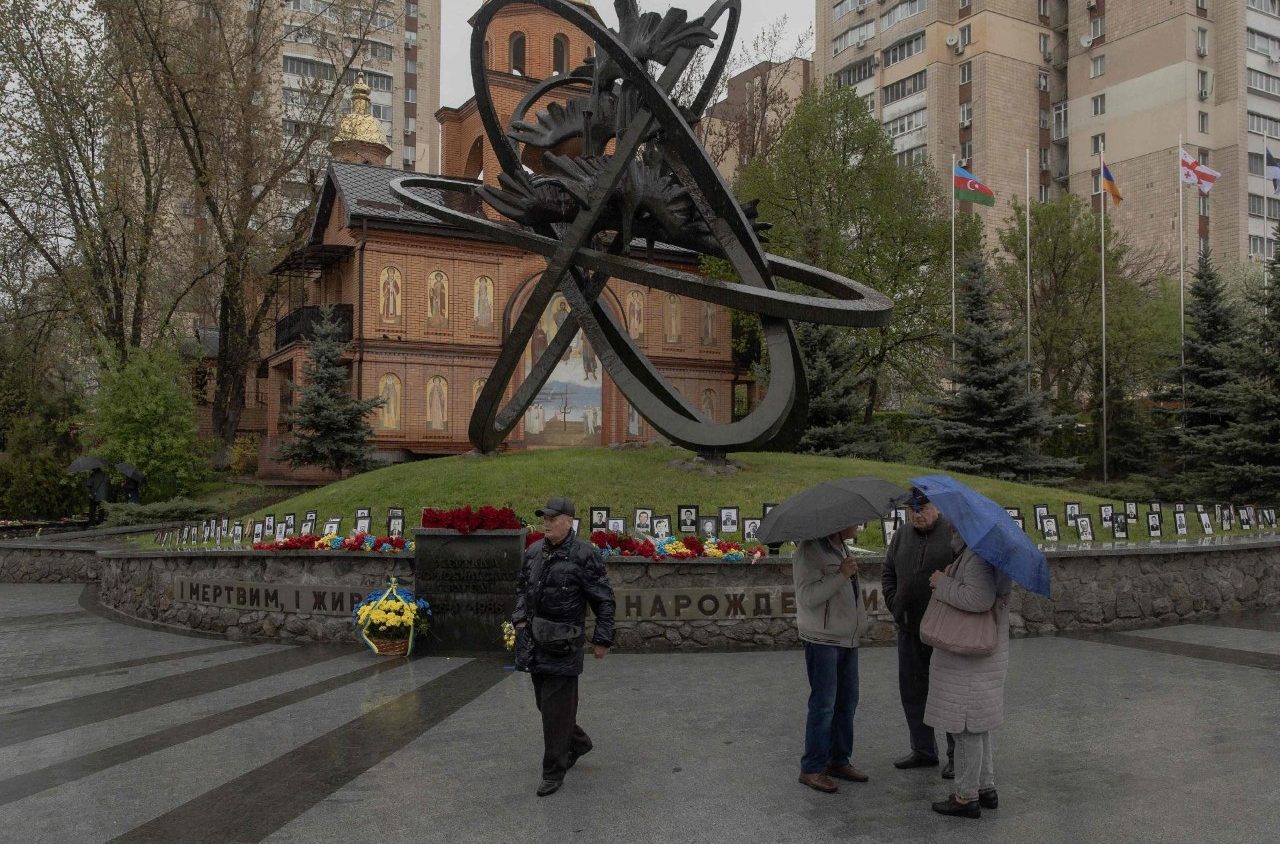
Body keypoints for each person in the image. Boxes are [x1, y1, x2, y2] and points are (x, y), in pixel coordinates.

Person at [512, 496, 616, 797]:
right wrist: (519, 619)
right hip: (534, 642)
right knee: (546, 706)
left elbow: (604, 600)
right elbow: (521, 588)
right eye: (544, 517)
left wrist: (602, 638)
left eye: (552, 518)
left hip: (564, 645)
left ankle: (553, 771)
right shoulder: (533, 552)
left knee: (556, 712)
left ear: (568, 522)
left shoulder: (585, 555)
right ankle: (579, 743)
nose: (546, 523)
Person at [924, 534, 1012, 819]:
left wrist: (942, 583)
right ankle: (986, 788)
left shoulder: (976, 557)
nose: (950, 531)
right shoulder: (990, 553)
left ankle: (966, 796)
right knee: (978, 725)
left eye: (955, 526)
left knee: (964, 728)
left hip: (969, 656)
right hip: (984, 654)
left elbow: (979, 598)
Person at [881, 489, 957, 777]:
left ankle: (956, 755)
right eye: (912, 510)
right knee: (912, 692)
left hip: (943, 631)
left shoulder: (951, 533)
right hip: (909, 627)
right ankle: (923, 750)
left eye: (922, 508)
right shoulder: (901, 535)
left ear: (936, 507)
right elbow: (888, 571)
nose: (916, 514)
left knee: (946, 694)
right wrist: (894, 602)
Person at [793, 523, 870, 793]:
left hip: (847, 638)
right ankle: (812, 767)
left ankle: (838, 760)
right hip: (822, 639)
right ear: (838, 522)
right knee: (824, 704)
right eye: (854, 521)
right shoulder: (808, 550)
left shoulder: (840, 546)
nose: (858, 526)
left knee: (847, 701)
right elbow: (807, 597)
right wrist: (841, 575)